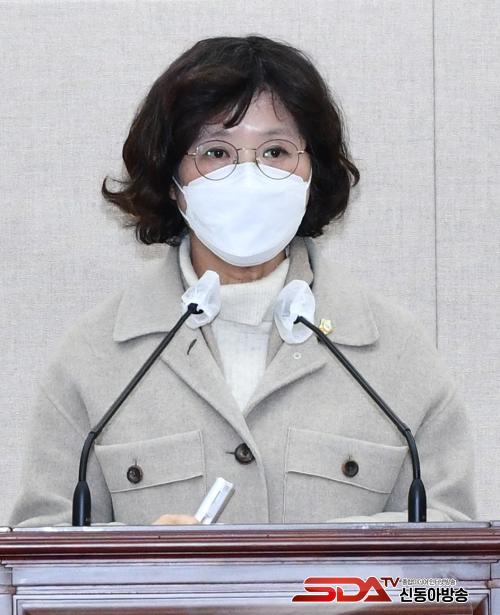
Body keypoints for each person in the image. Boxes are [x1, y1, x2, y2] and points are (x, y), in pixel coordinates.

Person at [11, 35, 475, 527]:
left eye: (275, 151)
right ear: (172, 181)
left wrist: (327, 564)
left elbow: (450, 549)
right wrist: (148, 563)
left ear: (312, 172)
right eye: (216, 152)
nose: (249, 176)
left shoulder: (395, 354)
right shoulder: (96, 357)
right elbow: (43, 546)